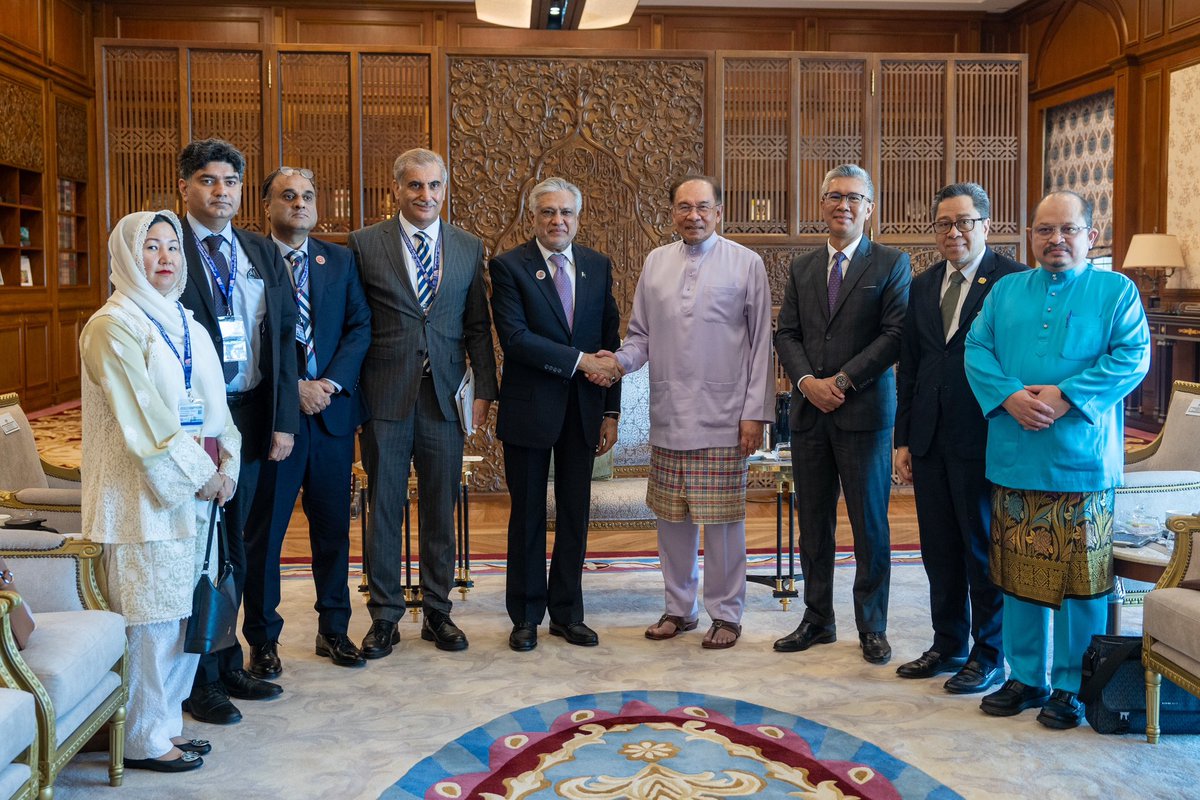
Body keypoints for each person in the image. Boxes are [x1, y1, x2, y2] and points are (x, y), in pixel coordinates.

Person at [964, 190, 1149, 728]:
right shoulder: (1005, 291)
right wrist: (1011, 397)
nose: (1055, 240)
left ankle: (1072, 683)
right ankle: (1026, 676)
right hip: (1014, 455)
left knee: (1081, 582)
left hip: (1081, 464)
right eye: (1045, 230)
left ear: (1091, 236)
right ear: (1031, 235)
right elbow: (977, 350)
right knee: (1019, 572)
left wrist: (1066, 396)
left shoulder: (1116, 290)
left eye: (1068, 230)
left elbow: (1133, 356)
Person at [80, 210, 240, 772]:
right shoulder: (112, 326)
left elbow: (219, 414)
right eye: (151, 246)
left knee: (182, 619)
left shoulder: (184, 323)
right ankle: (143, 739)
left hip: (199, 498)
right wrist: (204, 477)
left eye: (173, 245)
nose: (166, 257)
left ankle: (164, 725)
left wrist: (229, 471)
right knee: (149, 623)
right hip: (141, 504)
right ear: (127, 256)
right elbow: (144, 423)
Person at [608, 174, 773, 650]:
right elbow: (640, 336)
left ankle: (727, 614)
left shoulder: (746, 263)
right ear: (672, 212)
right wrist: (616, 363)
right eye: (684, 207)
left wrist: (754, 414)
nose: (693, 215)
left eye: (703, 207)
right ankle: (679, 609)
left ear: (719, 212)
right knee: (672, 521)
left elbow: (761, 344)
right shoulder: (655, 263)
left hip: (725, 417)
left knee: (722, 524)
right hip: (669, 415)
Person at [349, 148, 498, 656]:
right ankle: (385, 615)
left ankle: (438, 611)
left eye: (434, 186)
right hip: (385, 397)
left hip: (444, 398)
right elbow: (354, 323)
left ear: (445, 188)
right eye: (415, 186)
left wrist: (483, 394)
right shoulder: (364, 245)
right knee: (384, 507)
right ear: (396, 189)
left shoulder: (465, 246)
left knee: (441, 506)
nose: (426, 195)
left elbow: (478, 326)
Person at [177, 138, 299, 724]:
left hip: (252, 414)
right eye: (208, 180)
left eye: (230, 181)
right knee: (202, 546)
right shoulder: (166, 247)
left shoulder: (259, 250)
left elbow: (283, 340)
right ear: (185, 188)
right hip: (197, 423)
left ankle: (228, 662)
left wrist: (283, 421)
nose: (220, 191)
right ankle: (198, 679)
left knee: (241, 542)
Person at [773, 164, 911, 665]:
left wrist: (844, 382)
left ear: (869, 208)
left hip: (865, 415)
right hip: (810, 415)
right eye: (834, 195)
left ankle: (872, 625)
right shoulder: (803, 267)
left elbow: (895, 335)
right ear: (821, 204)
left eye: (854, 198)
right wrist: (808, 382)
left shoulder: (892, 264)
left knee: (869, 524)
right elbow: (785, 333)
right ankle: (817, 619)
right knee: (813, 524)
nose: (843, 205)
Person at [893, 183, 1025, 693]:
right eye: (944, 223)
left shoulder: (1013, 281)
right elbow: (912, 366)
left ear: (986, 225)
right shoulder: (923, 285)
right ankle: (946, 643)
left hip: (985, 434)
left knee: (980, 548)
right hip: (928, 436)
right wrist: (903, 438)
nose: (954, 232)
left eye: (964, 221)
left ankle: (988, 653)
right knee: (938, 549)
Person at [241, 167, 372, 671]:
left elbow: (360, 326)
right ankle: (263, 640)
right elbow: (246, 338)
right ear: (268, 206)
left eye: (308, 196)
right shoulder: (249, 259)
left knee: (333, 529)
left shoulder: (338, 259)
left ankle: (334, 630)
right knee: (266, 533)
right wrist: (290, 387)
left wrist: (328, 385)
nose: (300, 204)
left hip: (332, 418)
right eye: (288, 196)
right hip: (275, 417)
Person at [489, 177, 622, 652]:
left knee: (574, 514)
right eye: (547, 212)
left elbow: (610, 339)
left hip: (584, 411)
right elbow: (516, 339)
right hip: (530, 410)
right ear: (533, 218)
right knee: (526, 515)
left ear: (578, 218)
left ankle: (568, 613)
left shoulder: (596, 266)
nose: (557, 220)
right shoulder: (508, 267)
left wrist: (611, 410)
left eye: (566, 212)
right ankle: (525, 616)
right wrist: (580, 362)